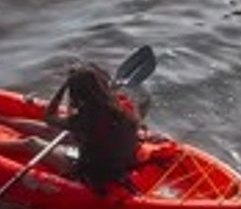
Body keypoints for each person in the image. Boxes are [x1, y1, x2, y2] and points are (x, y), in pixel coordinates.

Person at [0, 64, 140, 194]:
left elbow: (49, 116)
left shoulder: (85, 119)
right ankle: (3, 120)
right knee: (51, 131)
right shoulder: (123, 108)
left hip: (92, 172)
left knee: (31, 142)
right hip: (118, 163)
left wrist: (63, 88)